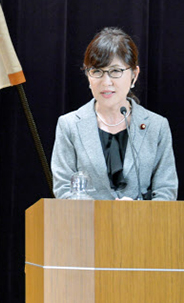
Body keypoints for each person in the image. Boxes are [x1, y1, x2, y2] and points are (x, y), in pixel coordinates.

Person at [51, 27, 178, 200]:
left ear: (134, 75)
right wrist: (104, 212)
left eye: (116, 71)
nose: (106, 82)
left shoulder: (157, 126)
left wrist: (136, 211)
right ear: (88, 76)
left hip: (140, 219)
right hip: (85, 218)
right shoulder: (69, 125)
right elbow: (63, 189)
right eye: (97, 71)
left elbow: (166, 192)